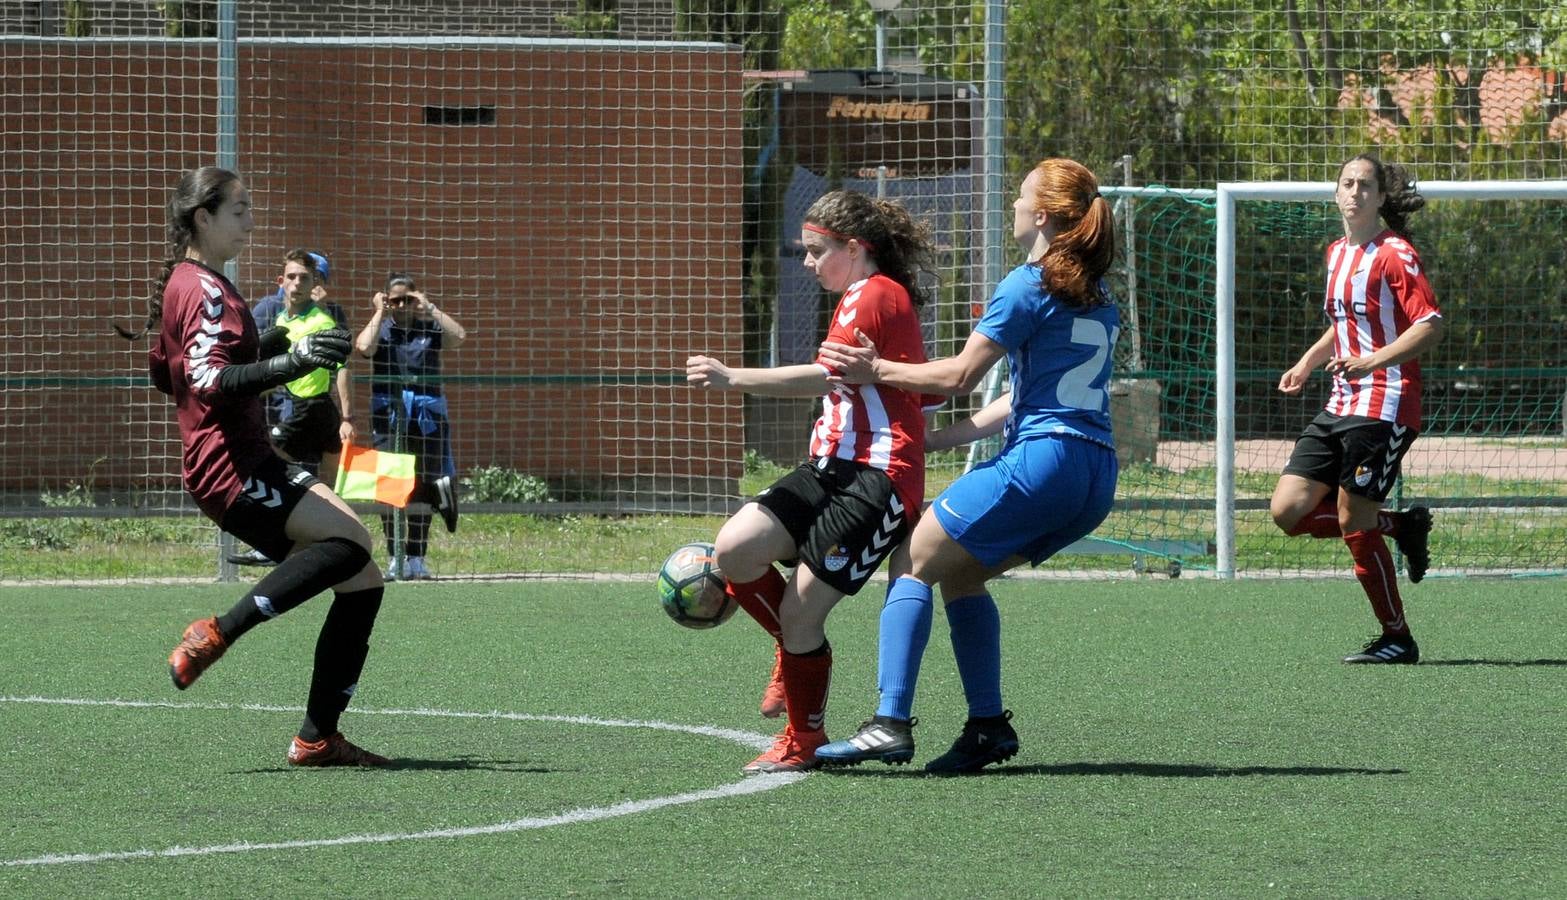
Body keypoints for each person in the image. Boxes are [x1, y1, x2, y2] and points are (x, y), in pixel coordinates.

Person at [813, 158, 1121, 774]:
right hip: (1094, 473)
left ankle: (889, 723)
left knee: (911, 558)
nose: (1011, 206)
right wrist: (929, 442)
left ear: (1040, 216)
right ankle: (986, 726)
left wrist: (876, 371)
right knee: (960, 574)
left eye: (1020, 197)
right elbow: (1017, 401)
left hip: (1045, 460)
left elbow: (957, 377)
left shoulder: (1028, 283)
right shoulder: (1095, 292)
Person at [130, 166, 389, 766]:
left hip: (243, 458)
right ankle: (217, 631)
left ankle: (317, 738)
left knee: (362, 580)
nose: (251, 221)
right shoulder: (205, 289)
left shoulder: (191, 282)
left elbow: (171, 377)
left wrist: (274, 346)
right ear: (204, 217)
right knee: (351, 543)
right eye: (240, 210)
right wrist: (291, 363)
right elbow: (210, 380)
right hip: (231, 466)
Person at [685, 189, 940, 775]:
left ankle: (804, 739)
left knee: (802, 616)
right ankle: (790, 650)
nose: (806, 263)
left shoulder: (876, 294)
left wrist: (732, 377)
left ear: (853, 249)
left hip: (878, 479)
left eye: (815, 251)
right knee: (734, 549)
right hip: (830, 468)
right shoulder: (857, 292)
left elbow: (823, 378)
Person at [1268, 153, 1441, 665]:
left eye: (1366, 185)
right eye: (1347, 183)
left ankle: (1397, 637)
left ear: (1381, 197)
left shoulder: (1395, 253)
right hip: (1341, 401)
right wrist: (1306, 361)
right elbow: (1345, 323)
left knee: (1353, 519)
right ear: (1336, 192)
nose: (1355, 193)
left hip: (1385, 403)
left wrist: (1372, 362)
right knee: (1288, 511)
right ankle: (1401, 527)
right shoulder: (1336, 254)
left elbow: (1429, 323)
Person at [228, 249, 356, 567]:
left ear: (314, 284)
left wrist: (347, 417)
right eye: (292, 277)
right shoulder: (282, 319)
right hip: (299, 407)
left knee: (262, 461)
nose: (297, 283)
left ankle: (278, 541)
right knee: (320, 479)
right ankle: (322, 538)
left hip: (310, 406)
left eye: (305, 278)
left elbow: (341, 368)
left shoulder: (321, 320)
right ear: (281, 281)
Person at [354, 272, 465, 581]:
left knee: (424, 487)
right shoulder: (384, 329)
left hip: (427, 417)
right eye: (395, 300)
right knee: (389, 488)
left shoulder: (429, 328)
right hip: (389, 416)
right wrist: (379, 311)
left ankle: (417, 557)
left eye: (408, 299)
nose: (402, 305)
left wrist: (429, 308)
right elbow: (363, 347)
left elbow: (459, 336)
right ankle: (394, 557)